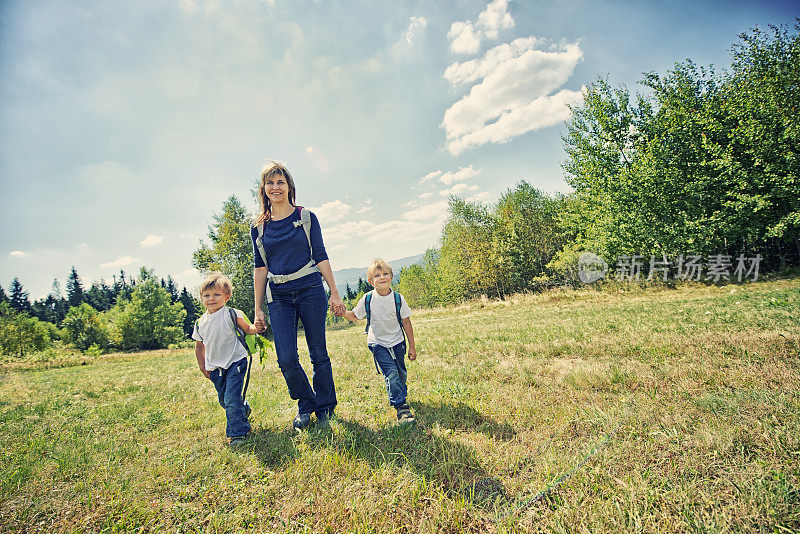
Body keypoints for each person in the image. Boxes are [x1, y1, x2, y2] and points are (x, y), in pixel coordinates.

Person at [252, 161, 344, 432]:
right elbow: (260, 267)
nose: (275, 187)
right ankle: (306, 403)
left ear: (289, 186)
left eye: (280, 182)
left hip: (310, 290)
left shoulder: (306, 217)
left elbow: (320, 254)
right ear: (264, 189)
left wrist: (335, 293)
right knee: (286, 358)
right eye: (270, 183)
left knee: (318, 352)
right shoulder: (258, 227)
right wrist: (258, 308)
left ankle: (325, 407)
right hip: (278, 296)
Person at [341, 258, 417, 424]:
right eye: (377, 275)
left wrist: (412, 346)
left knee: (401, 373)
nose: (382, 277)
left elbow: (406, 322)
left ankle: (399, 392)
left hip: (397, 341)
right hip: (377, 343)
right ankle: (401, 407)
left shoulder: (398, 299)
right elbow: (355, 316)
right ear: (370, 281)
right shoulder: (368, 299)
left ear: (391, 276)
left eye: (385, 274)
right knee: (391, 373)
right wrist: (342, 312)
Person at [193, 272, 259, 446]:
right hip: (215, 367)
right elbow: (199, 346)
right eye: (206, 295)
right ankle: (242, 409)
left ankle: (238, 434)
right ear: (201, 298)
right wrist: (202, 367)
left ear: (227, 296)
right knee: (225, 400)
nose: (211, 299)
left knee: (230, 398)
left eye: (216, 294)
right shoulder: (200, 323)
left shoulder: (231, 314)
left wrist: (257, 327)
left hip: (235, 361)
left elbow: (247, 329)